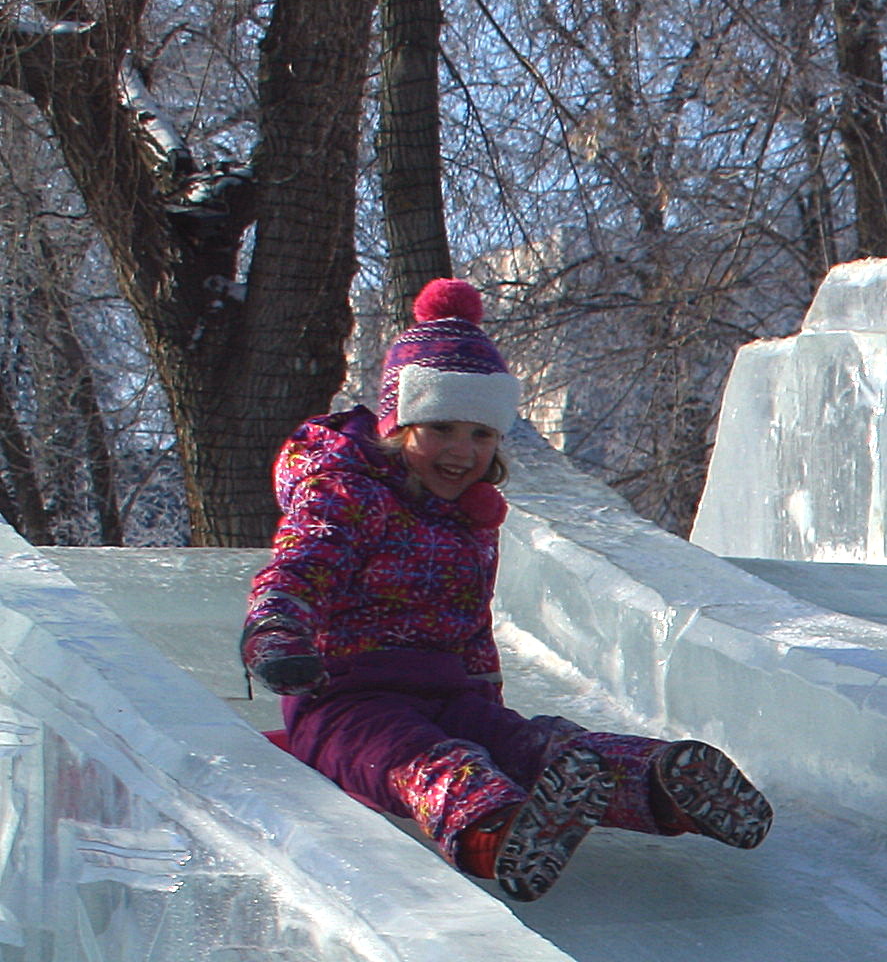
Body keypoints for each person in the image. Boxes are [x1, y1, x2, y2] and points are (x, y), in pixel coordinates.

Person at [240, 279, 772, 903]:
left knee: (528, 742)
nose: (462, 452)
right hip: (343, 699)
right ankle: (499, 832)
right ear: (398, 423)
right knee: (425, 758)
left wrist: (486, 695)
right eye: (441, 428)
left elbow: (470, 627)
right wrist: (277, 632)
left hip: (446, 690)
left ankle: (661, 784)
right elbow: (298, 567)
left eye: (481, 434)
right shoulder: (346, 493)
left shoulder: (471, 518)